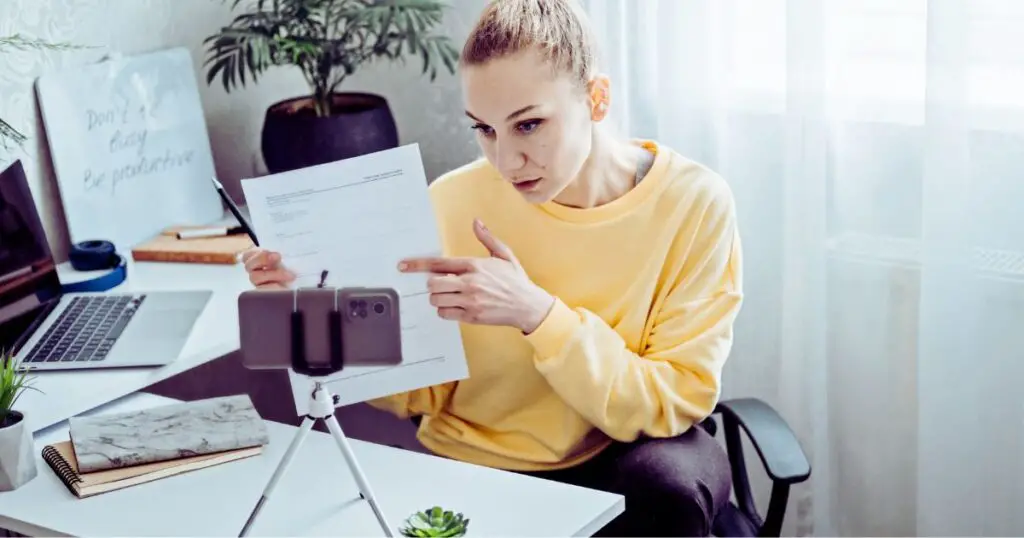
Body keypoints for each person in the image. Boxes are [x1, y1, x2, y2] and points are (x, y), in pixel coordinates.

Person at [242, 0, 743, 535]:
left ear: (596, 100)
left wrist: (538, 314)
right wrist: (315, 316)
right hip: (472, 463)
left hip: (616, 456)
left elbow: (675, 397)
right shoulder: (454, 201)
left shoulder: (692, 204)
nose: (505, 162)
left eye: (528, 124)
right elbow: (422, 396)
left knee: (667, 484)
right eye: (484, 129)